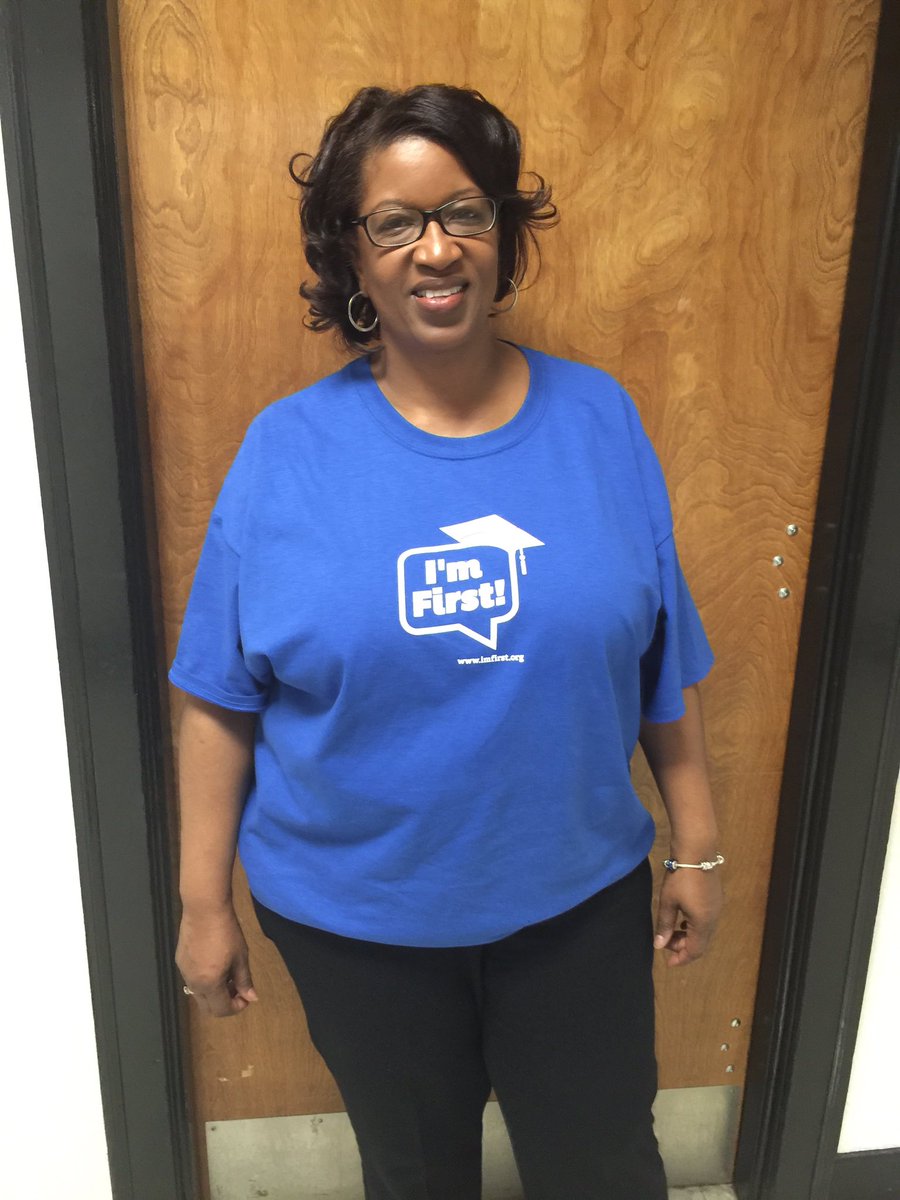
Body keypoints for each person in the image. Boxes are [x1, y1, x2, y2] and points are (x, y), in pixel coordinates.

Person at [172, 83, 723, 1200]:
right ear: (352, 254)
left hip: (574, 905)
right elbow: (219, 695)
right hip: (357, 923)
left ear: (504, 236)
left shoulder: (601, 418)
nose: (438, 248)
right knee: (417, 1176)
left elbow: (661, 657)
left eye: (466, 212)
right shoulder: (285, 452)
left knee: (606, 1168)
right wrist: (202, 905)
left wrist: (696, 846)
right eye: (395, 222)